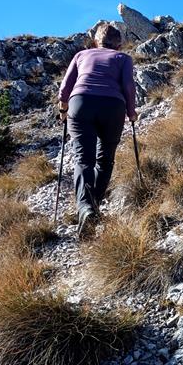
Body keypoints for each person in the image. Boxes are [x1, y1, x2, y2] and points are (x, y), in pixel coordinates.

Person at [58, 24, 137, 236]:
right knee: (105, 160)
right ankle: (93, 207)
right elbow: (129, 86)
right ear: (118, 45)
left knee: (84, 159)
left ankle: (85, 207)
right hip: (113, 106)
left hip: (81, 103)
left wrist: (63, 109)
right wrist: (131, 113)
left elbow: (65, 87)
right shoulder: (123, 59)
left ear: (96, 42)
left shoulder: (81, 55)